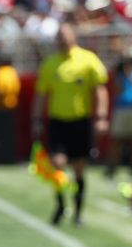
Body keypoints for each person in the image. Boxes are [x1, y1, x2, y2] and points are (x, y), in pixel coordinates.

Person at [32, 22, 109, 226]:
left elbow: (100, 89)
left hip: (80, 122)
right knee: (57, 164)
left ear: (73, 36)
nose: (62, 39)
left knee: (79, 168)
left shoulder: (88, 60)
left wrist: (101, 117)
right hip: (58, 121)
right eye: (59, 36)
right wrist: (37, 119)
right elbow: (41, 94)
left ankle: (78, 212)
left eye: (65, 35)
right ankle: (60, 205)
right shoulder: (50, 64)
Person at [105, 50, 132, 181]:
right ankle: (111, 169)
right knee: (117, 140)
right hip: (121, 109)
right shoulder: (121, 73)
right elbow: (118, 89)